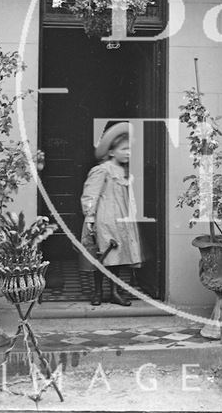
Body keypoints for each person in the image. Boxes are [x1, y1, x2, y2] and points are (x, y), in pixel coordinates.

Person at [79, 122, 144, 306]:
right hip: (105, 219)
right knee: (103, 255)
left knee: (117, 257)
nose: (128, 153)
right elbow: (90, 195)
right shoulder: (102, 170)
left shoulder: (123, 171)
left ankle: (114, 291)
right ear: (112, 152)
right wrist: (90, 216)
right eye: (124, 149)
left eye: (129, 149)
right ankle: (98, 292)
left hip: (121, 219)